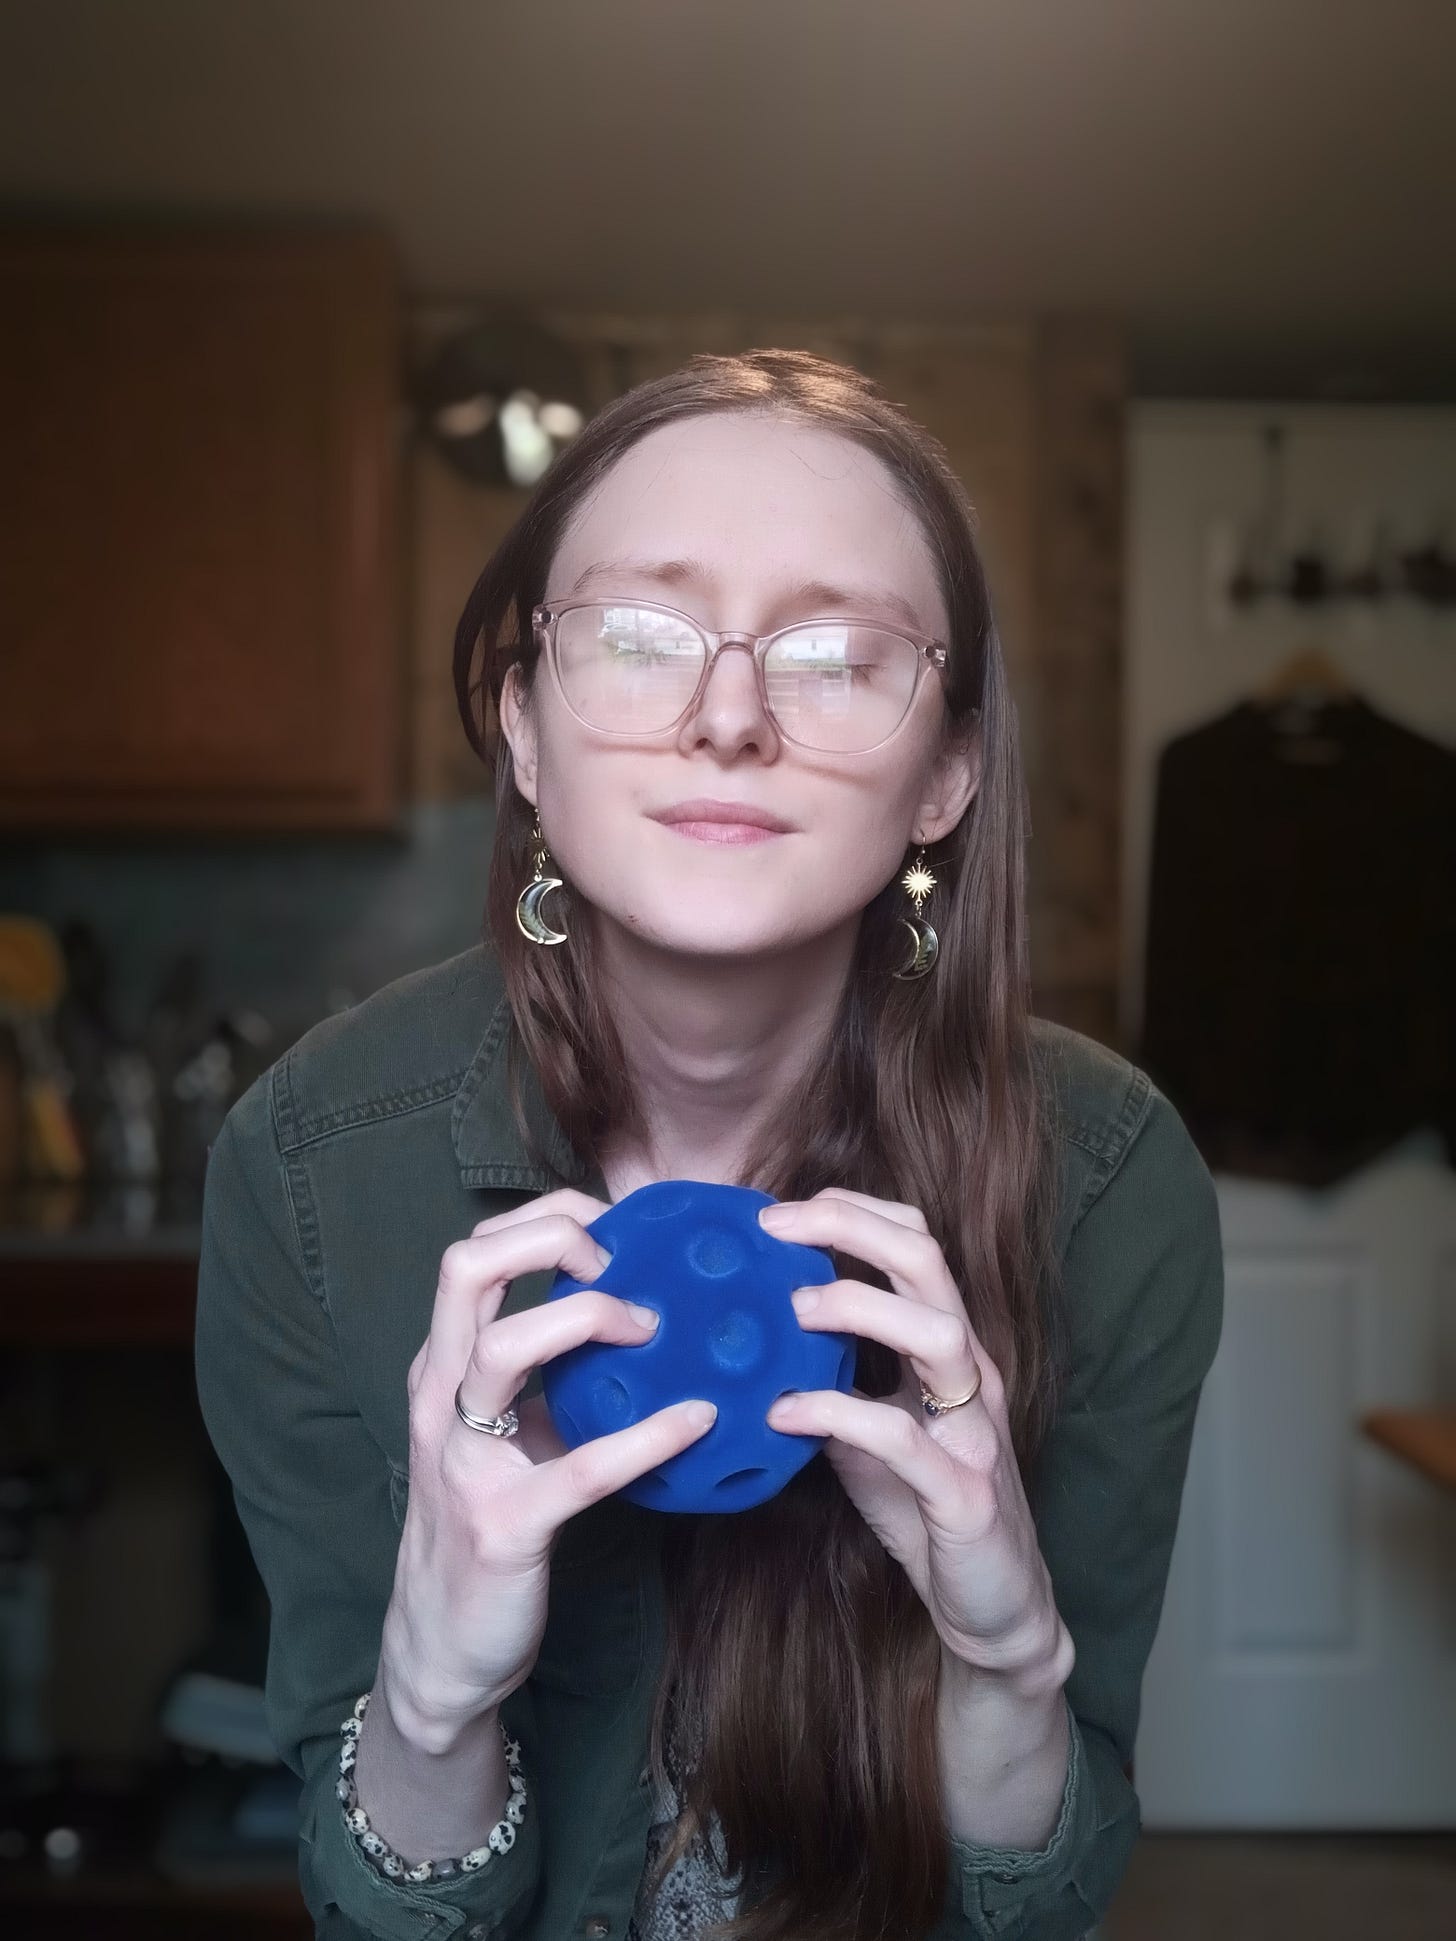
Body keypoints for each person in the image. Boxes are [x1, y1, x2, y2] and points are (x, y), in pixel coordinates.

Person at [195, 349, 1224, 1941]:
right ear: (524, 728)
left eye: (833, 653)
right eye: (638, 634)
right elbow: (381, 1918)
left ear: (947, 769)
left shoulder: (1108, 1178)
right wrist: (429, 1702)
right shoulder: (312, 1165)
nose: (728, 714)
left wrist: (1010, 1666)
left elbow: (1030, 1913)